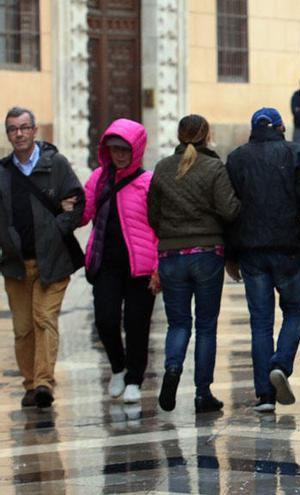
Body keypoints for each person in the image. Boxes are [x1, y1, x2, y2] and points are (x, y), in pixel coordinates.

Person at [225, 108, 300, 413]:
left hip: (250, 252)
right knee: (296, 309)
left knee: (260, 323)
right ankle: (281, 364)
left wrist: (230, 253)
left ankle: (265, 396)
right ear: (280, 127)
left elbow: (227, 209)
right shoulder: (296, 153)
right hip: (288, 248)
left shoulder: (236, 159)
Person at [147, 114, 241, 413]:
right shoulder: (214, 167)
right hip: (206, 254)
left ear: (178, 136)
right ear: (206, 135)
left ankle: (173, 370)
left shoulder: (162, 167)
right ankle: (203, 393)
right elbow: (229, 210)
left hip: (171, 256)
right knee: (206, 325)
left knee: (178, 323)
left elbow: (153, 214)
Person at [0, 107, 84, 409]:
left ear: (35, 130)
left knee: (44, 319)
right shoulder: (3, 171)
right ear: (8, 134)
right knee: (22, 329)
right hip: (16, 266)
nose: (19, 134)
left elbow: (78, 202)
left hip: (54, 261)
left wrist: (57, 227)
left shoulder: (56, 164)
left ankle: (43, 384)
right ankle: (29, 384)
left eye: (24, 127)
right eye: (13, 129)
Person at [81, 119, 160, 404]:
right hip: (106, 265)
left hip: (140, 268)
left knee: (137, 325)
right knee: (105, 319)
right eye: (114, 149)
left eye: (125, 149)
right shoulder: (98, 179)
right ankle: (118, 366)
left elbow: (160, 227)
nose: (120, 155)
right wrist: (66, 206)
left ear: (136, 149)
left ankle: (134, 379)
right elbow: (84, 214)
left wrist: (158, 267)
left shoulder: (148, 183)